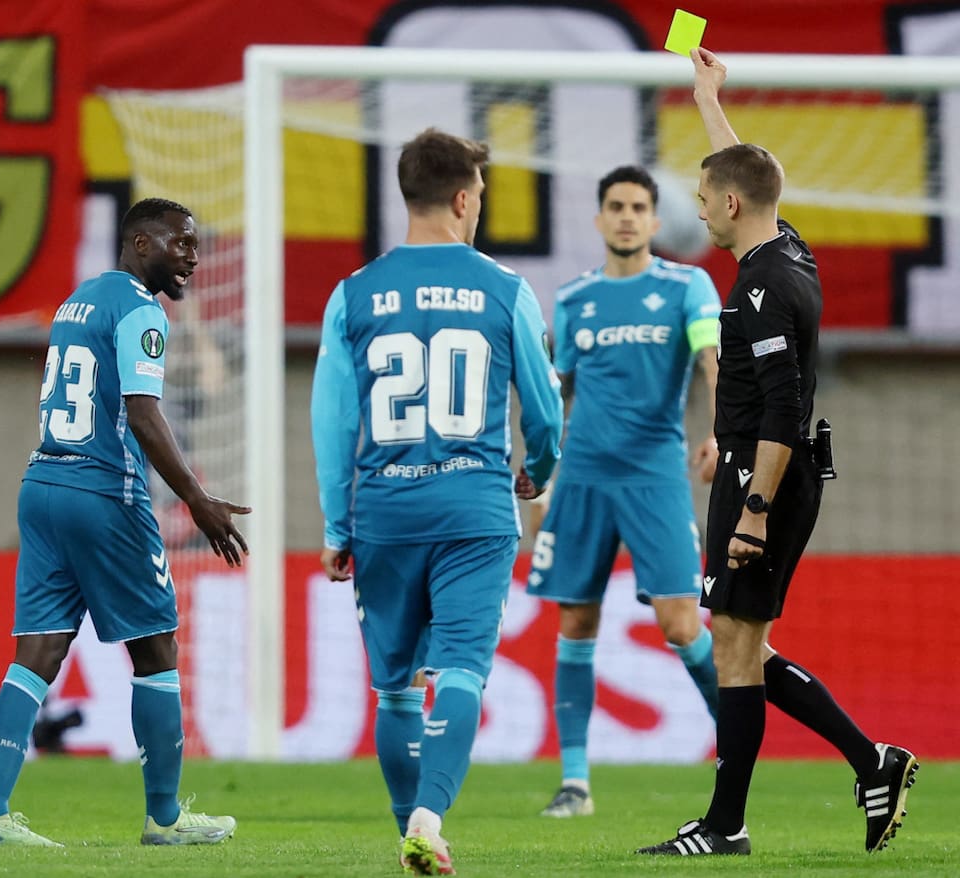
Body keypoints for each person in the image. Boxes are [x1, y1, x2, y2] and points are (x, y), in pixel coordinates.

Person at [637, 49, 919, 857]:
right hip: (763, 474)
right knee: (738, 640)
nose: (702, 214)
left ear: (729, 205)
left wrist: (753, 511)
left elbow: (786, 409)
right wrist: (708, 101)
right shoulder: (788, 247)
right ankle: (868, 764)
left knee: (733, 640)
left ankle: (730, 824)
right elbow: (753, 176)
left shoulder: (762, 289)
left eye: (704, 202)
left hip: (762, 478)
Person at [0, 197, 250, 848]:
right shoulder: (141, 311)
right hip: (104, 493)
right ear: (141, 243)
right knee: (157, 648)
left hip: (43, 486)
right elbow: (143, 413)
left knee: (37, 652)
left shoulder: (77, 301)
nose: (194, 257)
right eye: (182, 244)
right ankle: (166, 818)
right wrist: (197, 499)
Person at [311, 127, 563, 876]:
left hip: (385, 508)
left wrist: (337, 523)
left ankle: (409, 835)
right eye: (480, 196)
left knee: (393, 688)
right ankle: (428, 817)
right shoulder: (504, 289)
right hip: (473, 508)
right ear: (462, 198)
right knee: (459, 670)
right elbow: (546, 411)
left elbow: (333, 423)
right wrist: (538, 469)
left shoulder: (352, 294)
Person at [526, 164, 722, 820]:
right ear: (599, 218)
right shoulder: (575, 297)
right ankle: (575, 782)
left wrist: (723, 432)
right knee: (576, 619)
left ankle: (740, 743)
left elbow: (709, 359)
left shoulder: (685, 286)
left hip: (654, 474)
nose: (628, 217)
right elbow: (554, 396)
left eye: (639, 206)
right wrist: (540, 476)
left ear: (656, 221)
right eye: (616, 206)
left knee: (679, 622)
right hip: (582, 476)